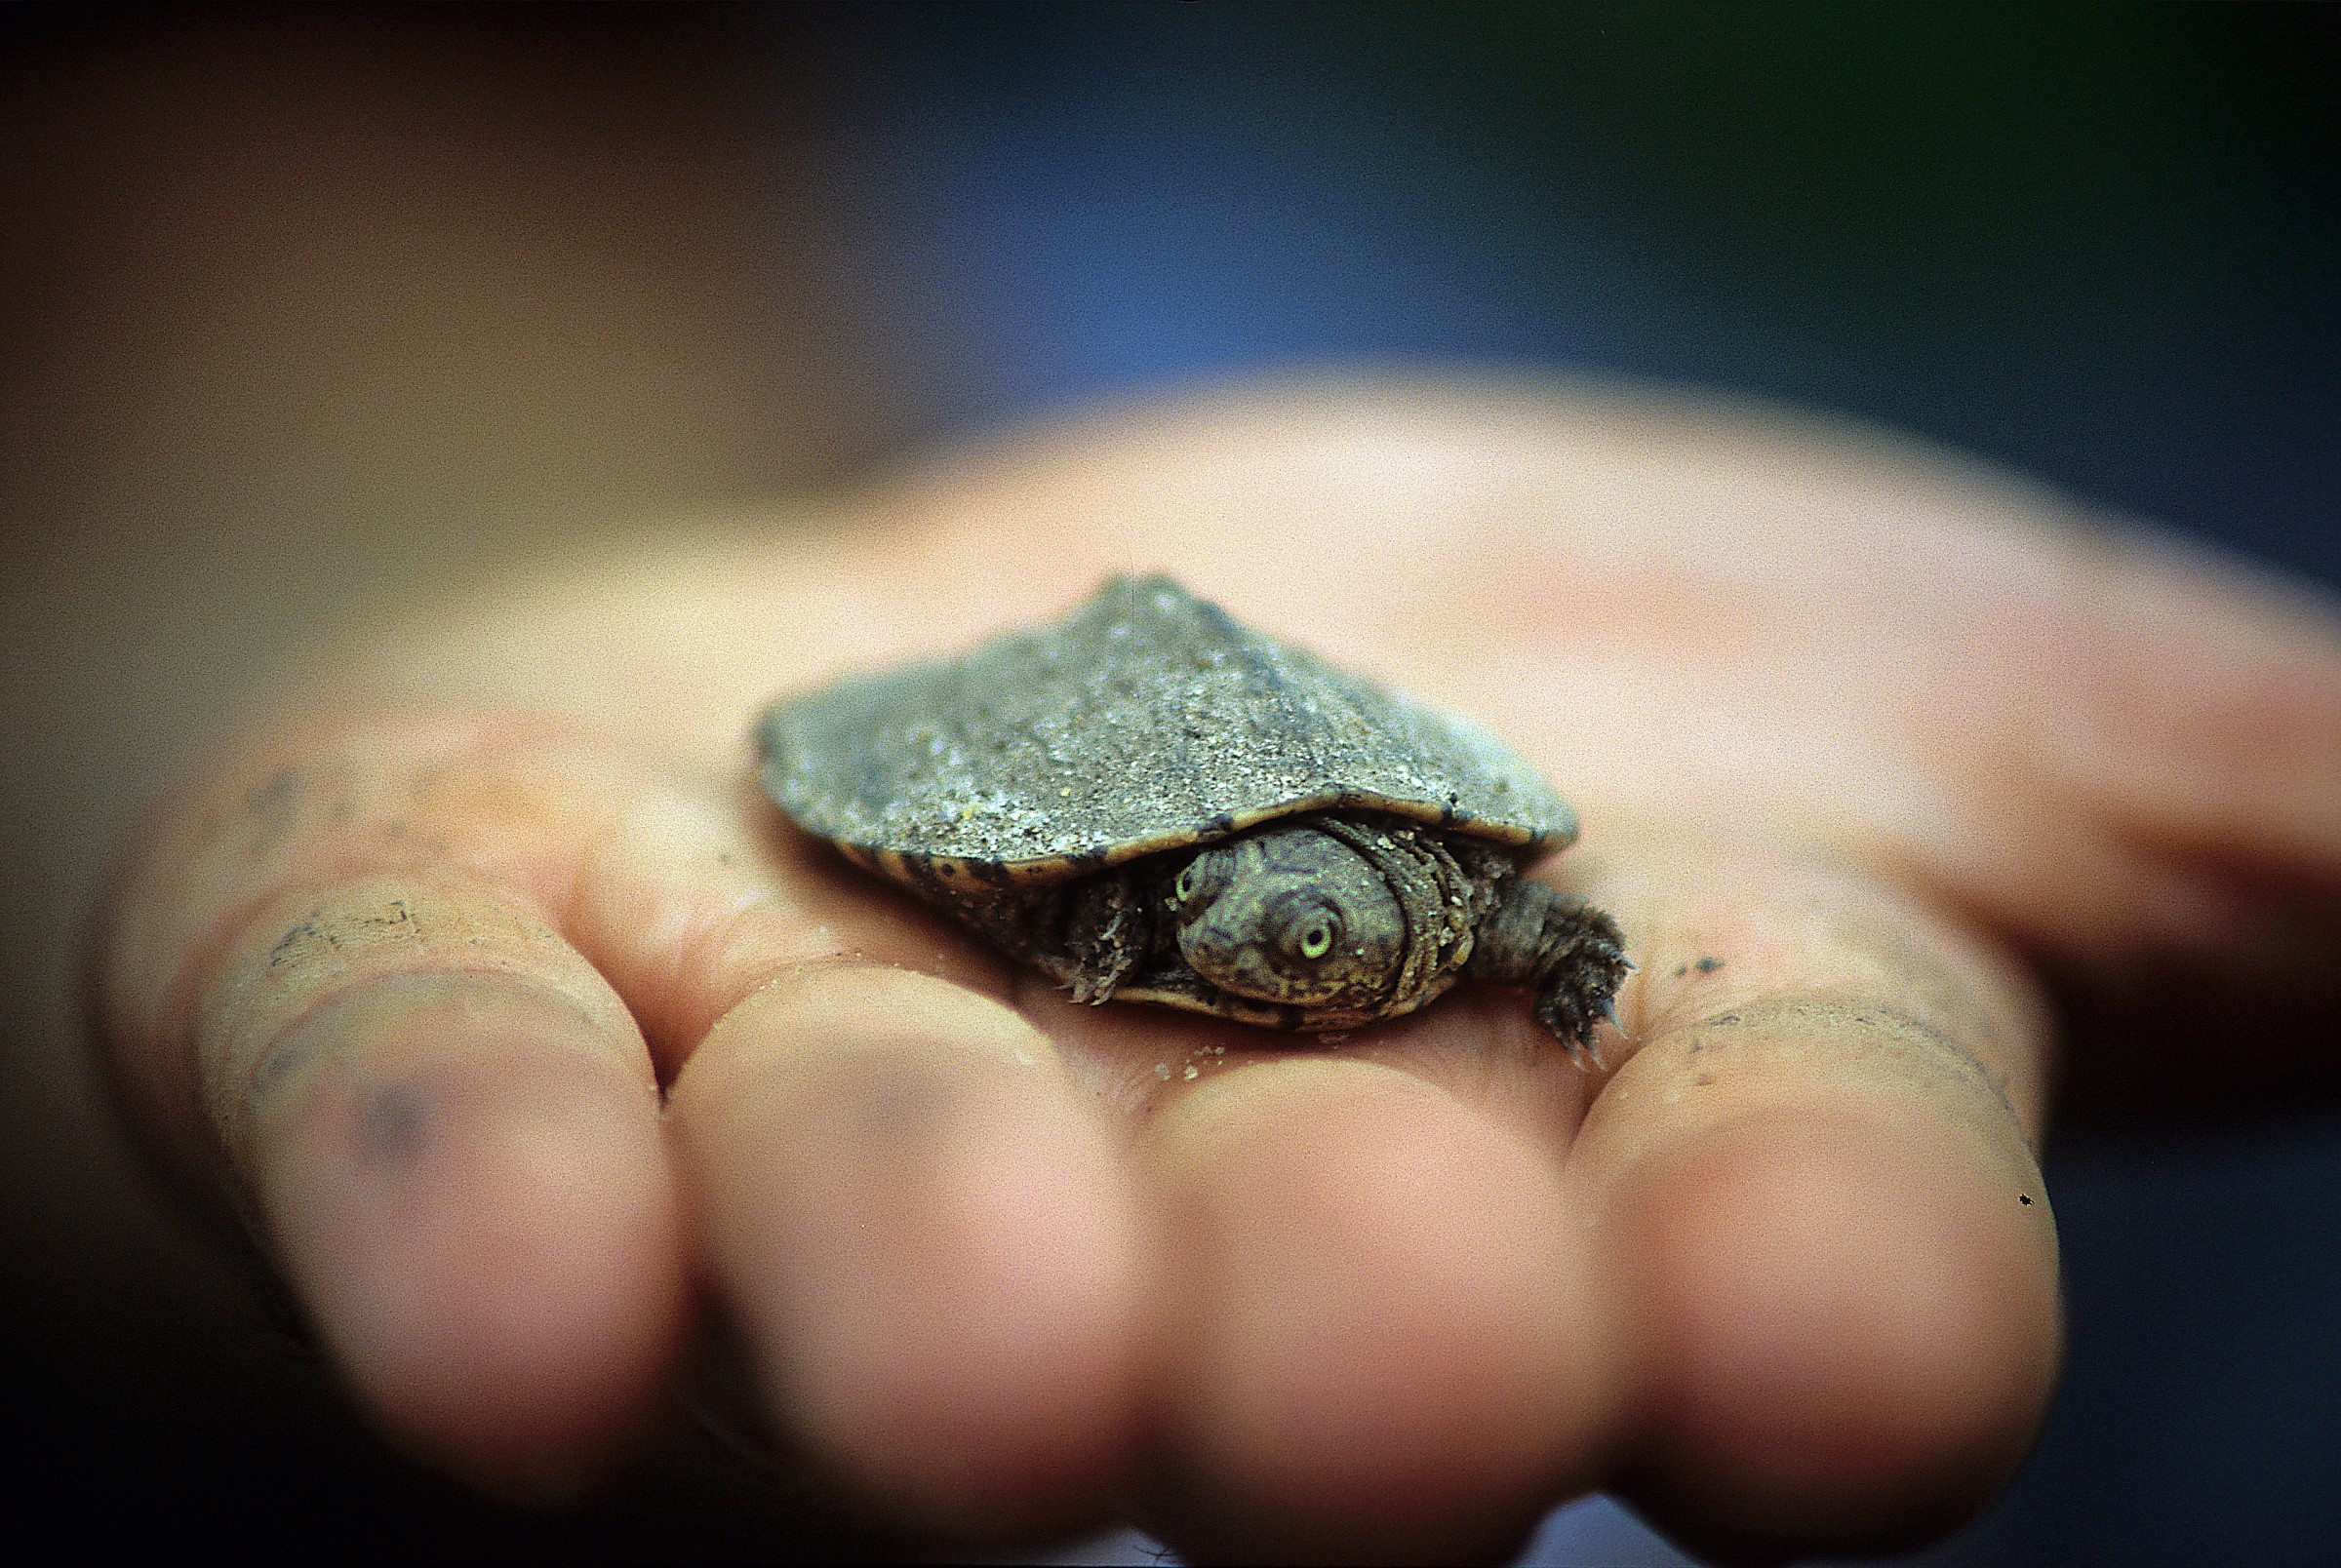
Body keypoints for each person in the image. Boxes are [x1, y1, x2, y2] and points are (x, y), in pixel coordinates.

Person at [85, 376, 2341, 1564]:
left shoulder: (1464, 886)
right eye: (1273, 945)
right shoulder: (1122, 901)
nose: (1302, 964)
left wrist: (1550, 957)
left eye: (1326, 942)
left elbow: (1549, 909)